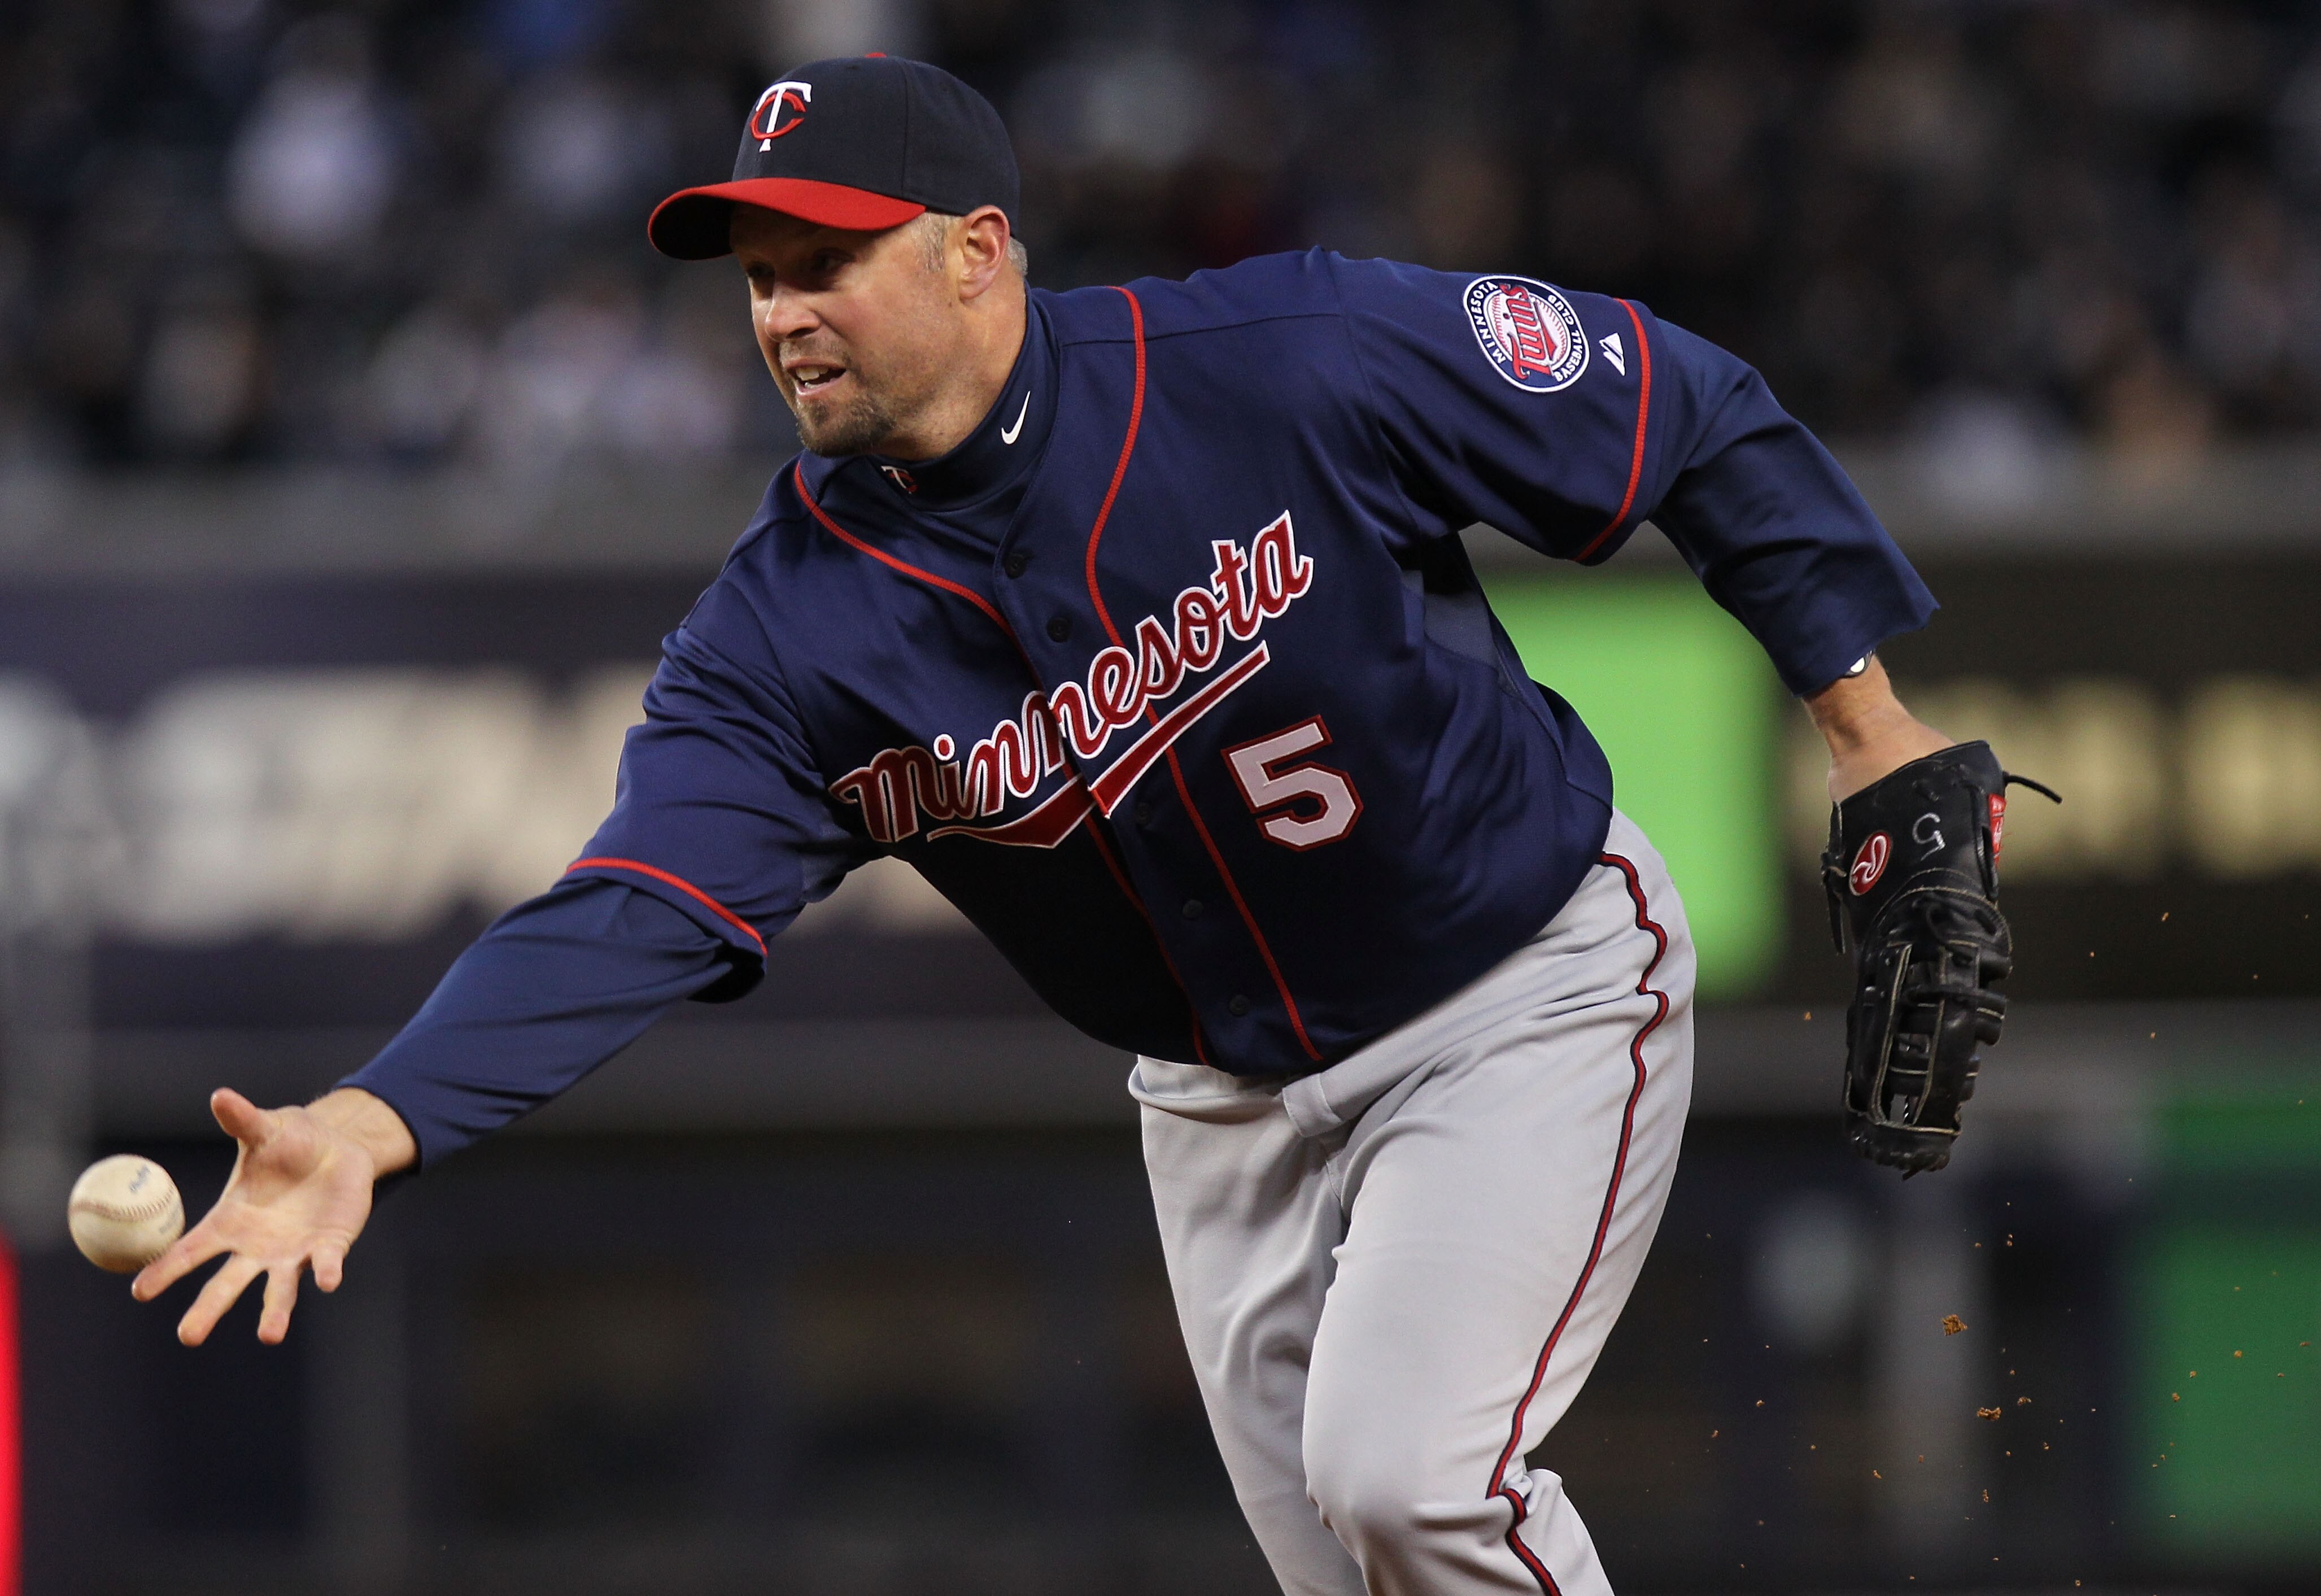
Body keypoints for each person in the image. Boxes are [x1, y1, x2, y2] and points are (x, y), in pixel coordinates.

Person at [134, 55, 1959, 1596]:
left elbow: (1677, 411)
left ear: (978, 251)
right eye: (759, 276)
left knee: (1410, 1479)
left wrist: (1867, 726)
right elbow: (632, 903)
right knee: (1357, 1570)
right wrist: (376, 1115)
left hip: (1514, 987)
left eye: (827, 260)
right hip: (1221, 1099)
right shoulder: (781, 635)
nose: (782, 312)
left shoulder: (1280, 356)